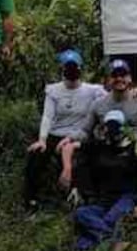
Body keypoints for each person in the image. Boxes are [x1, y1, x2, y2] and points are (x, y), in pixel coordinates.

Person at [24, 50, 106, 207]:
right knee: (36, 155)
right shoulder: (53, 90)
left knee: (83, 158)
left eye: (74, 68)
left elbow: (111, 98)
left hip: (78, 135)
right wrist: (42, 140)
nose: (71, 72)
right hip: (55, 134)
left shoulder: (92, 90)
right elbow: (47, 116)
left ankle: (80, 196)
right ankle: (31, 198)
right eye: (68, 68)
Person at [73, 109, 137, 251]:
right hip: (103, 201)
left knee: (111, 218)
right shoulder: (98, 147)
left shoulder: (134, 148)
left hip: (126, 198)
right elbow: (74, 147)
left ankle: (87, 245)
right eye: (110, 126)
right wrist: (66, 148)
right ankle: (114, 241)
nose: (113, 130)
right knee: (81, 213)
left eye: (116, 126)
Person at [84, 59, 137, 147]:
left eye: (123, 75)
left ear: (130, 78)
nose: (119, 78)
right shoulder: (98, 104)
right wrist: (73, 140)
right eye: (114, 75)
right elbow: (86, 131)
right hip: (106, 150)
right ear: (108, 80)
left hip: (135, 151)